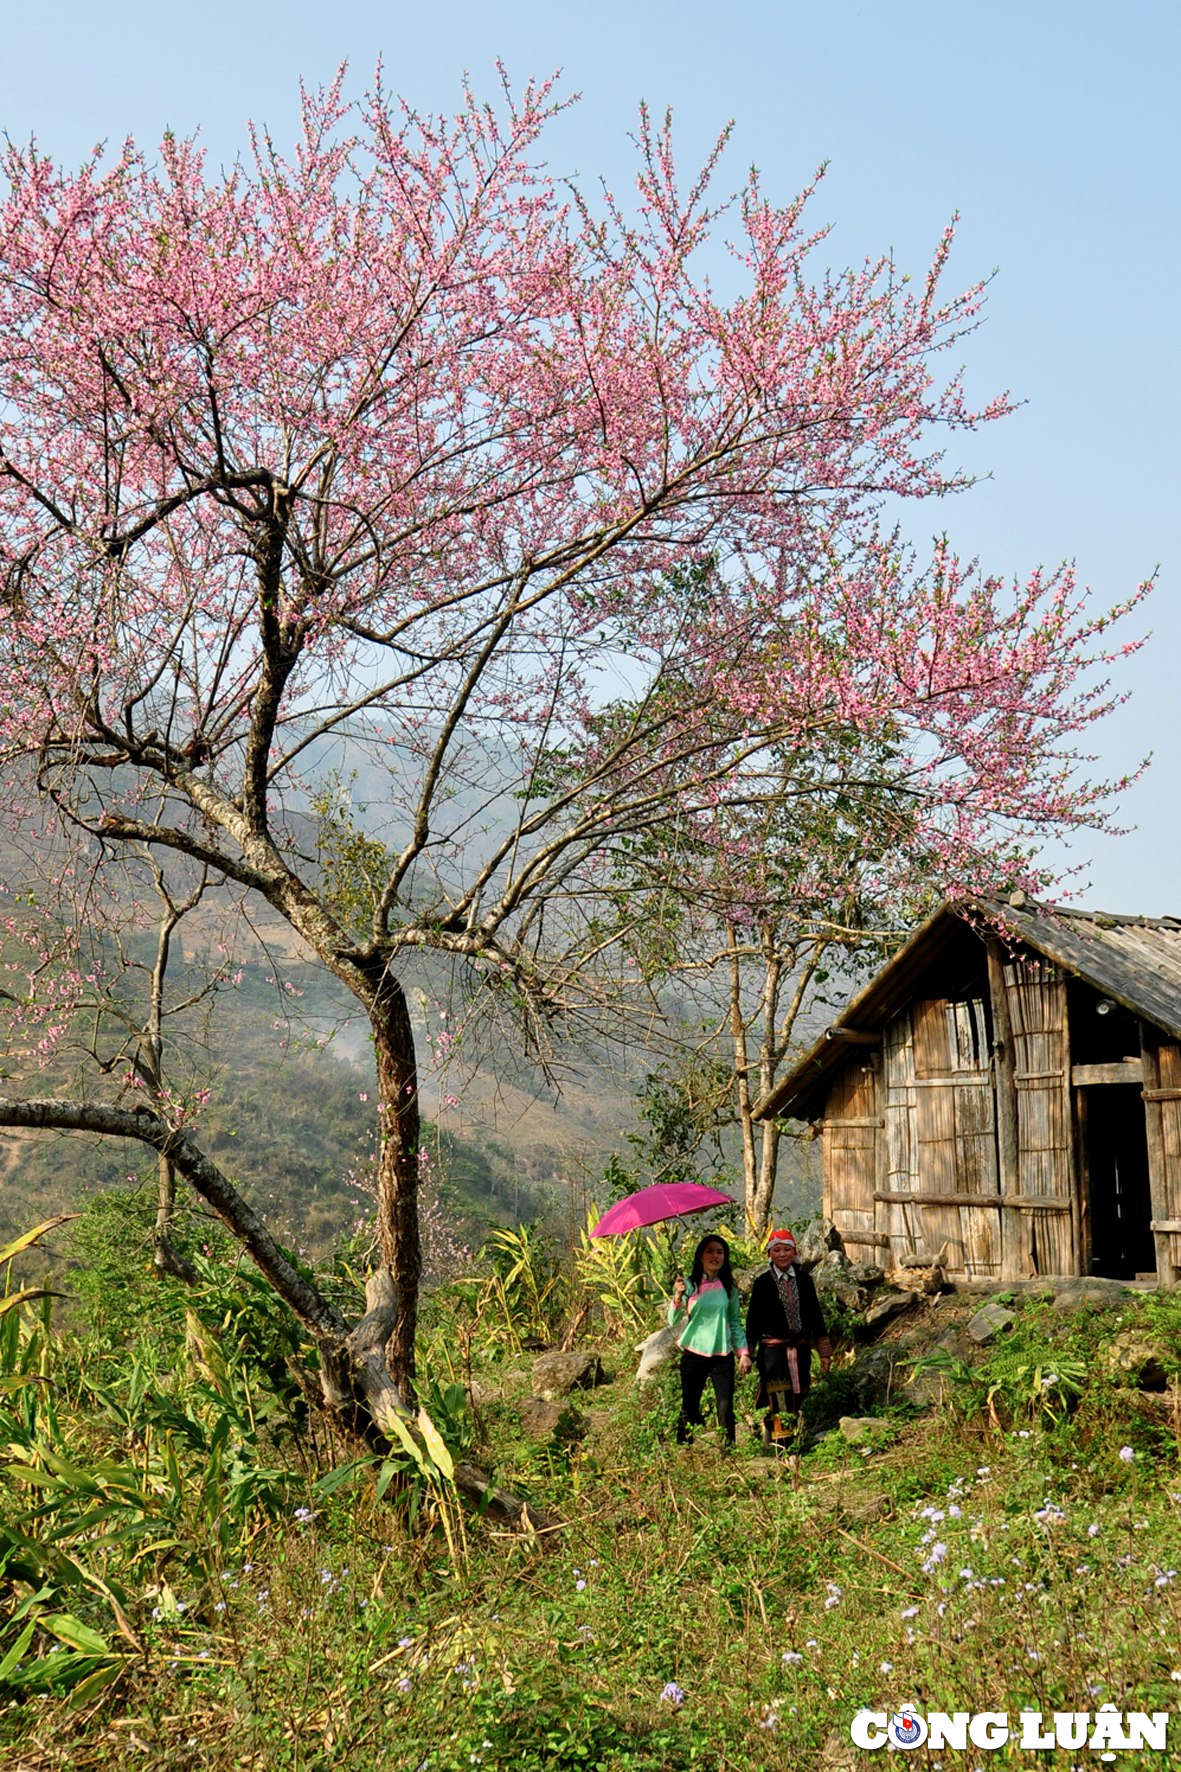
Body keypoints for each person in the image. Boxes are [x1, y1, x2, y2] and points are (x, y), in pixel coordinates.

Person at [744, 1228, 832, 1448]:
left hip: (800, 1349)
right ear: (769, 1254)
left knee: (799, 1392)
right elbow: (752, 1319)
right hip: (773, 1352)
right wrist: (747, 1352)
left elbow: (815, 1315)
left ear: (795, 1252)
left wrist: (824, 1352)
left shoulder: (804, 1281)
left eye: (786, 1249)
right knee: (779, 1395)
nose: (782, 1254)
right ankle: (783, 1445)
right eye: (777, 1250)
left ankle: (779, 1433)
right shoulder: (762, 1283)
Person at [668, 1234, 751, 1444]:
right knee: (690, 1405)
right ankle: (685, 1449)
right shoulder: (688, 1284)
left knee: (725, 1406)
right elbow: (673, 1319)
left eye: (719, 1252)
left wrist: (743, 1353)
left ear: (725, 1257)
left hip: (722, 1355)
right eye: (709, 1251)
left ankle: (728, 1450)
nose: (715, 1255)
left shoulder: (728, 1288)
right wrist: (678, 1297)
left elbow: (734, 1321)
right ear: (700, 1257)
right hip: (694, 1353)